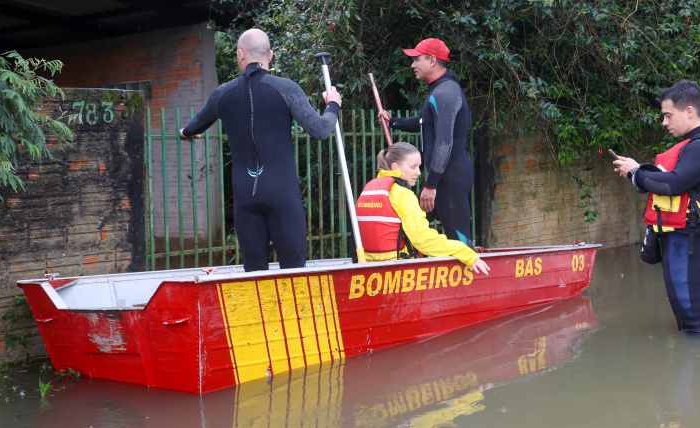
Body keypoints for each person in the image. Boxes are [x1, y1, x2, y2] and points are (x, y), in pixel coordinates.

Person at [179, 29, 342, 272]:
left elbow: (195, 125)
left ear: (240, 54)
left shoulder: (222, 94)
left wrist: (186, 133)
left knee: (254, 275)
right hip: (282, 195)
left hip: (246, 197)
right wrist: (333, 105)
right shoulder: (286, 88)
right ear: (271, 55)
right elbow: (321, 130)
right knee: (294, 272)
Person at [613, 80, 700, 334]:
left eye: (668, 115)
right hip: (690, 244)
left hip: (689, 247)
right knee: (694, 324)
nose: (664, 122)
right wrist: (639, 170)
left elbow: (673, 185)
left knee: (694, 329)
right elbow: (676, 179)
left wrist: (635, 174)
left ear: (689, 111)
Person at [377, 38, 475, 247]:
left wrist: (431, 185)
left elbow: (444, 143)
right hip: (442, 178)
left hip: (449, 179)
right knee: (412, 229)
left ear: (432, 60)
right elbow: (424, 122)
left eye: (416, 60)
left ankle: (473, 268)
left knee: (460, 242)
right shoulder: (438, 89)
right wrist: (392, 121)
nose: (412, 65)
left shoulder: (446, 92)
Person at [356, 142, 490, 275]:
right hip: (398, 271)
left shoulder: (369, 189)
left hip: (368, 269)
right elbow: (423, 239)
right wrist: (464, 251)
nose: (419, 172)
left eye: (419, 167)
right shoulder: (403, 195)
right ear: (395, 167)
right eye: (413, 167)